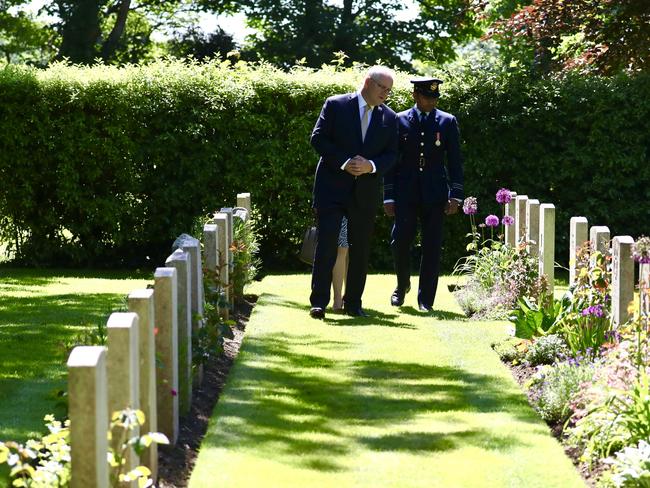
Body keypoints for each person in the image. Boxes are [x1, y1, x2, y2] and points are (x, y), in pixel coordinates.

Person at [309, 66, 399, 319]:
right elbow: (318, 139)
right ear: (368, 82)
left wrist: (370, 166)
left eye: (389, 91)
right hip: (331, 188)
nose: (386, 94)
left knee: (360, 249)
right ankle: (319, 303)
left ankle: (353, 303)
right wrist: (345, 161)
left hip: (365, 192)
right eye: (383, 88)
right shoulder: (336, 105)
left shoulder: (389, 117)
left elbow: (392, 155)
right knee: (326, 244)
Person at [383, 77, 464, 312]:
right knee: (399, 241)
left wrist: (455, 196)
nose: (431, 102)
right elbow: (391, 161)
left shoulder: (447, 121)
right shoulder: (399, 120)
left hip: (435, 193)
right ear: (415, 96)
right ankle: (402, 285)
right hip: (405, 192)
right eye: (427, 98)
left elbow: (456, 162)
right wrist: (389, 196)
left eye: (434, 98)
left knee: (432, 246)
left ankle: (425, 300)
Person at [331, 216, 349, 312]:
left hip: (358, 209)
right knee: (342, 250)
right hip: (342, 211)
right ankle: (337, 299)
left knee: (353, 254)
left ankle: (348, 297)